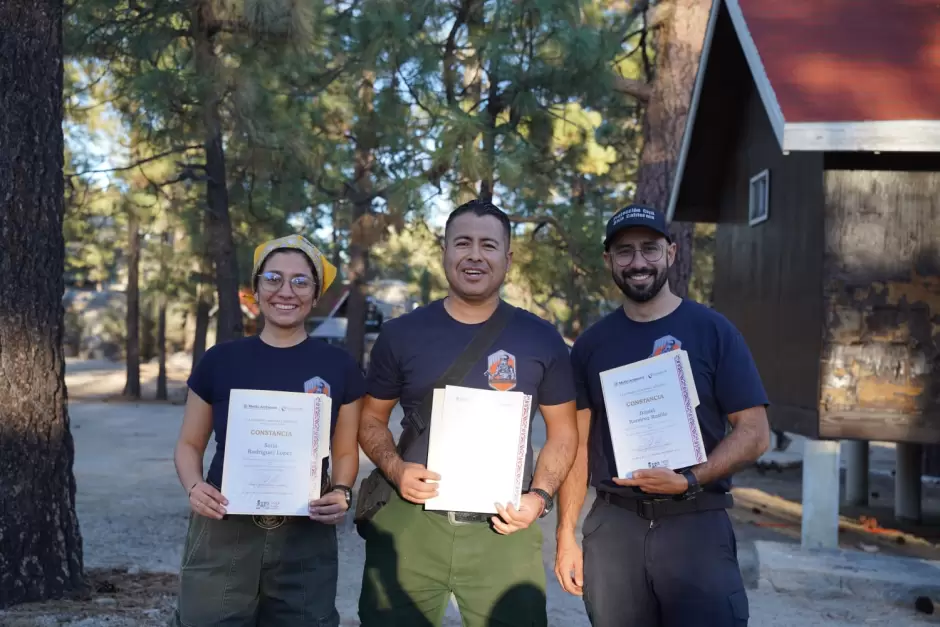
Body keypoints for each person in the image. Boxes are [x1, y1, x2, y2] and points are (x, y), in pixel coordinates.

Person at [356, 199, 579, 627]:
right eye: (463, 243)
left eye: (488, 245)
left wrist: (541, 497)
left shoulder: (542, 339)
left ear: (507, 259)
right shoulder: (400, 334)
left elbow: (564, 433)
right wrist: (396, 468)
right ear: (445, 252)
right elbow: (370, 420)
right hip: (410, 525)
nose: (475, 254)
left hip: (504, 528)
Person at [554, 205, 771, 627]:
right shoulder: (591, 346)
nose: (638, 262)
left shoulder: (714, 331)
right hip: (615, 528)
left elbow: (755, 432)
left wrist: (690, 478)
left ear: (671, 253)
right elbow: (576, 446)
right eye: (624, 252)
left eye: (649, 249)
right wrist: (566, 534)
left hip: (696, 522)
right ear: (608, 261)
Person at [170, 234, 364, 627]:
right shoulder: (220, 361)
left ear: (315, 294)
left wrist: (342, 491)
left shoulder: (339, 366)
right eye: (273, 278)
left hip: (305, 534)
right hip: (224, 528)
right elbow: (190, 444)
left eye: (300, 281)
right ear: (256, 288)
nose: (285, 291)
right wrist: (194, 487)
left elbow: (345, 452)